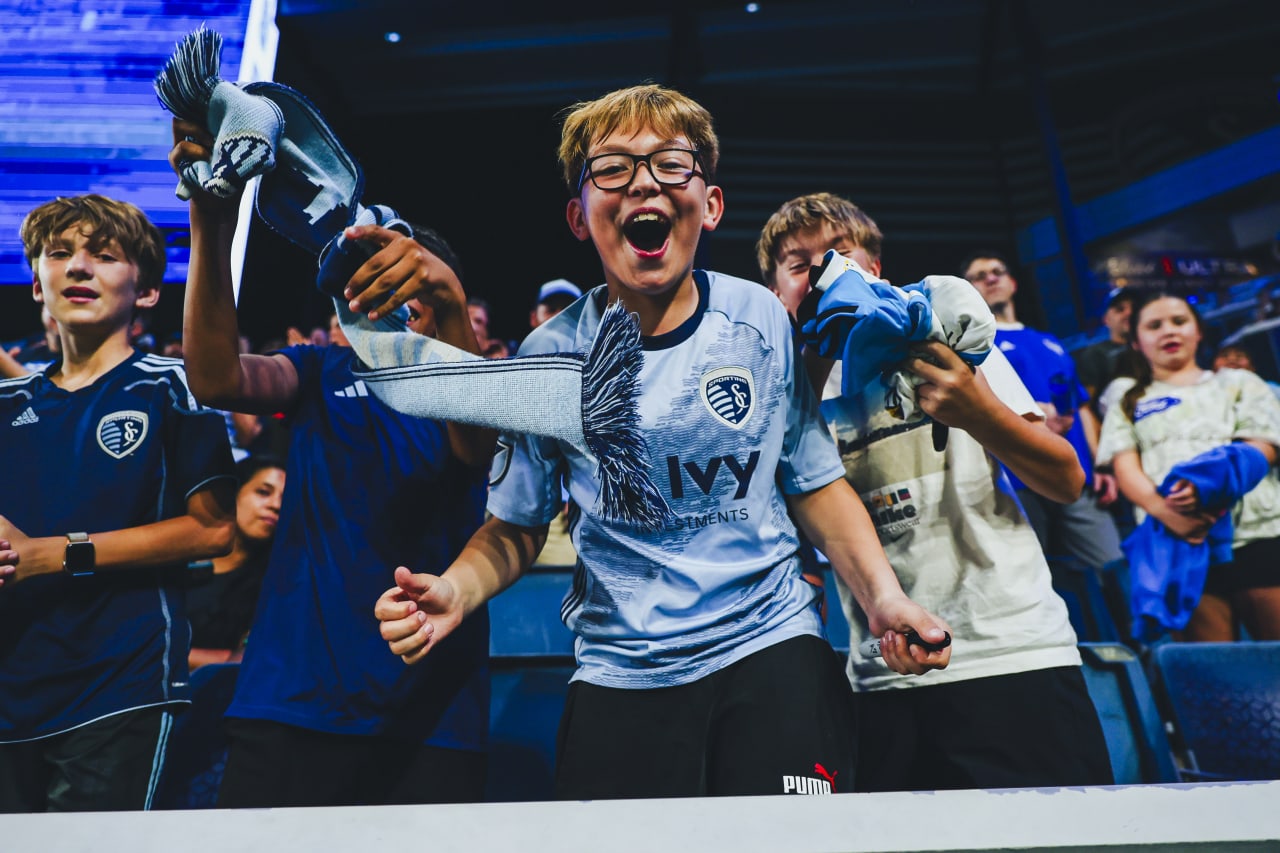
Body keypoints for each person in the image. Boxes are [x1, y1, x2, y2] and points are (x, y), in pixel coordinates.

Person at [367, 85, 951, 800]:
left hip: (769, 644)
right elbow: (515, 525)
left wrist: (884, 598)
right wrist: (455, 588)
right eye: (612, 167)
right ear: (580, 217)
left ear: (710, 204)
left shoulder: (760, 318)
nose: (644, 180)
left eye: (672, 163)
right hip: (622, 670)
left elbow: (813, 480)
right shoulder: (550, 357)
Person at [170, 119, 495, 807]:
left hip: (431, 713)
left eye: (408, 286)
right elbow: (216, 377)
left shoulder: (478, 388)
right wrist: (211, 219)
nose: (387, 301)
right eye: (368, 286)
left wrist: (448, 296)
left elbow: (474, 446)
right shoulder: (322, 370)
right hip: (291, 700)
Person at [757, 192, 1112, 791]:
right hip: (882, 673)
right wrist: (809, 366)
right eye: (799, 265)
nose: (820, 275)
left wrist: (978, 411)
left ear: (875, 274)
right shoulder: (778, 396)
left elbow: (1064, 480)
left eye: (838, 256)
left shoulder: (947, 344)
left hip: (1012, 650)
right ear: (774, 296)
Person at [0, 194, 236, 812]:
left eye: (103, 256)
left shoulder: (173, 385)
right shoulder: (7, 403)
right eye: (59, 254)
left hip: (118, 689)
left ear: (148, 292)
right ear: (36, 284)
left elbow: (215, 531)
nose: (79, 268)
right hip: (11, 686)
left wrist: (61, 554)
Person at [1097, 293, 1280, 641]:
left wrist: (1208, 485)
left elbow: (1265, 446)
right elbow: (1124, 464)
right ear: (1136, 342)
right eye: (1154, 325)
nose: (1168, 331)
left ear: (1198, 332)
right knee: (1215, 681)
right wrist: (1166, 511)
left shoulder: (1239, 382)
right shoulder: (1127, 398)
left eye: (1179, 321)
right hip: (1179, 544)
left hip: (1259, 536)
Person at [962, 252, 1125, 570]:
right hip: (1016, 479)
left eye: (998, 271)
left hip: (1073, 473)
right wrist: (1027, 413)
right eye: (980, 276)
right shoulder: (970, 345)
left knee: (1113, 566)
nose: (991, 278)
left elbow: (1082, 409)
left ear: (1013, 283)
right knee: (1031, 575)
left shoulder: (1050, 341)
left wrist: (1101, 464)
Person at [187, 455, 286, 669]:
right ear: (233, 495)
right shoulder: (179, 557)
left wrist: (163, 653)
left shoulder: (273, 583)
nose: (276, 505)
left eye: (285, 500)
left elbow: (249, 660)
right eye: (263, 492)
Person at [1074, 286, 1143, 409]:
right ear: (1106, 319)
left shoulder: (1150, 348)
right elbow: (1084, 406)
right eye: (1120, 309)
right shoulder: (1095, 354)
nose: (1129, 313)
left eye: (1134, 308)